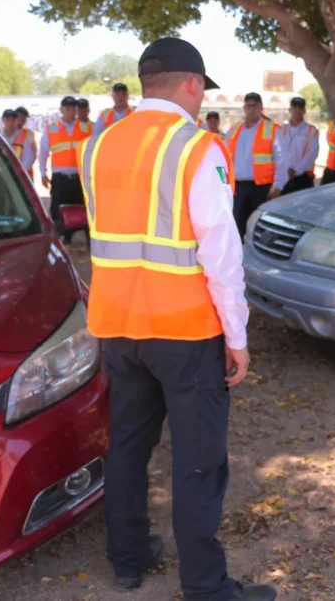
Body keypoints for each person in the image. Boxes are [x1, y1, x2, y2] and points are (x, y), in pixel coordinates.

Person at [79, 36, 277, 601]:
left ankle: (128, 558)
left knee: (128, 445)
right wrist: (237, 337)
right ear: (193, 84)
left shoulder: (98, 146)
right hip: (186, 331)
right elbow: (220, 250)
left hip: (117, 324)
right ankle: (206, 588)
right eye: (201, 90)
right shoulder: (197, 147)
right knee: (198, 461)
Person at [224, 92, 288, 238]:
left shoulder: (272, 129)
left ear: (261, 108)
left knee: (258, 229)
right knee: (236, 227)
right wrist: (223, 183)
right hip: (237, 188)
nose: (251, 109)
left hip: (261, 188)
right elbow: (222, 160)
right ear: (244, 108)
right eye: (248, 106)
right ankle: (238, 259)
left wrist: (278, 186)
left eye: (255, 106)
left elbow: (282, 160)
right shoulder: (234, 130)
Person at [38, 95, 91, 242]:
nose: (70, 111)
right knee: (57, 209)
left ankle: (85, 238)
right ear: (61, 110)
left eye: (73, 108)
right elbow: (43, 153)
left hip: (80, 177)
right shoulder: (51, 128)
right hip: (60, 177)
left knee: (82, 208)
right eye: (67, 108)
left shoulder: (87, 127)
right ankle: (62, 238)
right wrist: (43, 173)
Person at [279, 97, 319, 194]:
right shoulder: (282, 129)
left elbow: (312, 154)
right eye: (295, 107)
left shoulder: (311, 130)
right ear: (290, 110)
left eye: (300, 108)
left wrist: (295, 171)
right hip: (284, 176)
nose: (297, 111)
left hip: (303, 177)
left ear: (304, 111)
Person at [0, 108, 36, 175]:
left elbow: (30, 158)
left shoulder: (25, 136)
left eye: (23, 120)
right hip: (1, 174)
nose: (10, 122)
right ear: (3, 120)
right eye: (7, 120)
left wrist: (17, 172)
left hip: (22, 174)